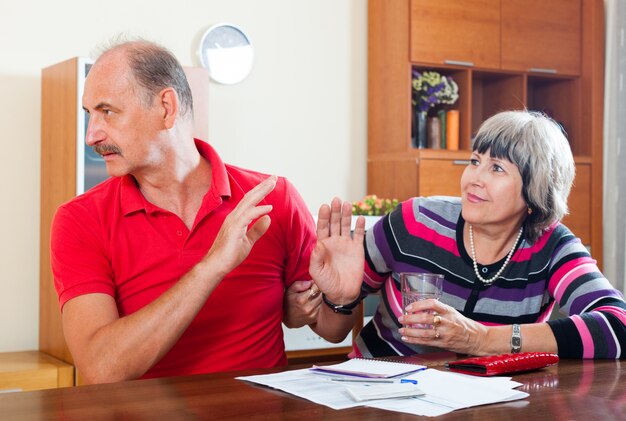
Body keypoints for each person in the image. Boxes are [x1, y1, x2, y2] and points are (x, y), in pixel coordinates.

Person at [50, 39, 321, 383]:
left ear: (166, 107)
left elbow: (325, 324)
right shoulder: (79, 220)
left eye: (107, 111)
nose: (91, 135)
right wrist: (211, 267)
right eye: (89, 114)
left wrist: (343, 294)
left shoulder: (274, 198)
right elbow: (100, 368)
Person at [307, 110, 626, 359]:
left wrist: (482, 339)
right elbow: (332, 334)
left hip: (490, 403)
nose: (474, 178)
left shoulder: (552, 246)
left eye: (497, 168)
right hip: (379, 391)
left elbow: (618, 326)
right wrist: (340, 300)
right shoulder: (417, 221)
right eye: (475, 161)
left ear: (535, 192)